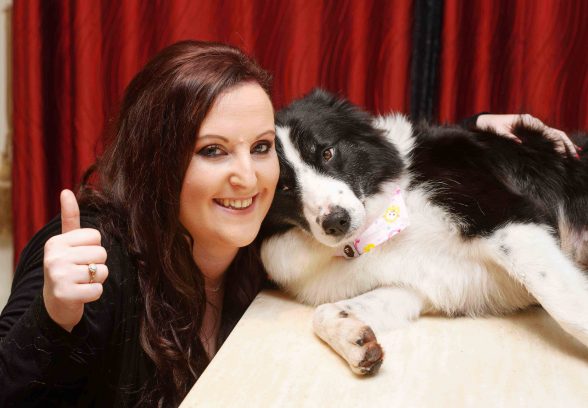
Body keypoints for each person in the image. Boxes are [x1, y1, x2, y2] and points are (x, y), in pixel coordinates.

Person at [0, 39, 578, 407]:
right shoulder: (87, 248)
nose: (248, 177)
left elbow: (360, 149)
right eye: (212, 151)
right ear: (160, 161)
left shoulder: (260, 252)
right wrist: (54, 318)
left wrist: (484, 136)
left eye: (258, 148)